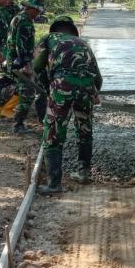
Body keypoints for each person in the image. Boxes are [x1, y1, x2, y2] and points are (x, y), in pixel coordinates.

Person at [33, 15, 103, 192]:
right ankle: (84, 174)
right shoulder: (83, 43)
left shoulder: (49, 38)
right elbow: (98, 77)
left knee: (53, 133)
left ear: (55, 29)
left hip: (62, 86)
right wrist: (94, 94)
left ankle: (54, 184)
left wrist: (47, 86)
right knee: (84, 130)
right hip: (86, 88)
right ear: (72, 30)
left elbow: (37, 66)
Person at [7, 0, 46, 134]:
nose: (38, 14)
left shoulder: (19, 18)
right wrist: (26, 66)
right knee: (28, 94)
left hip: (17, 61)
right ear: (31, 8)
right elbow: (21, 46)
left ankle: (22, 122)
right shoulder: (24, 22)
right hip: (20, 64)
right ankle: (18, 125)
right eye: (37, 11)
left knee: (27, 91)